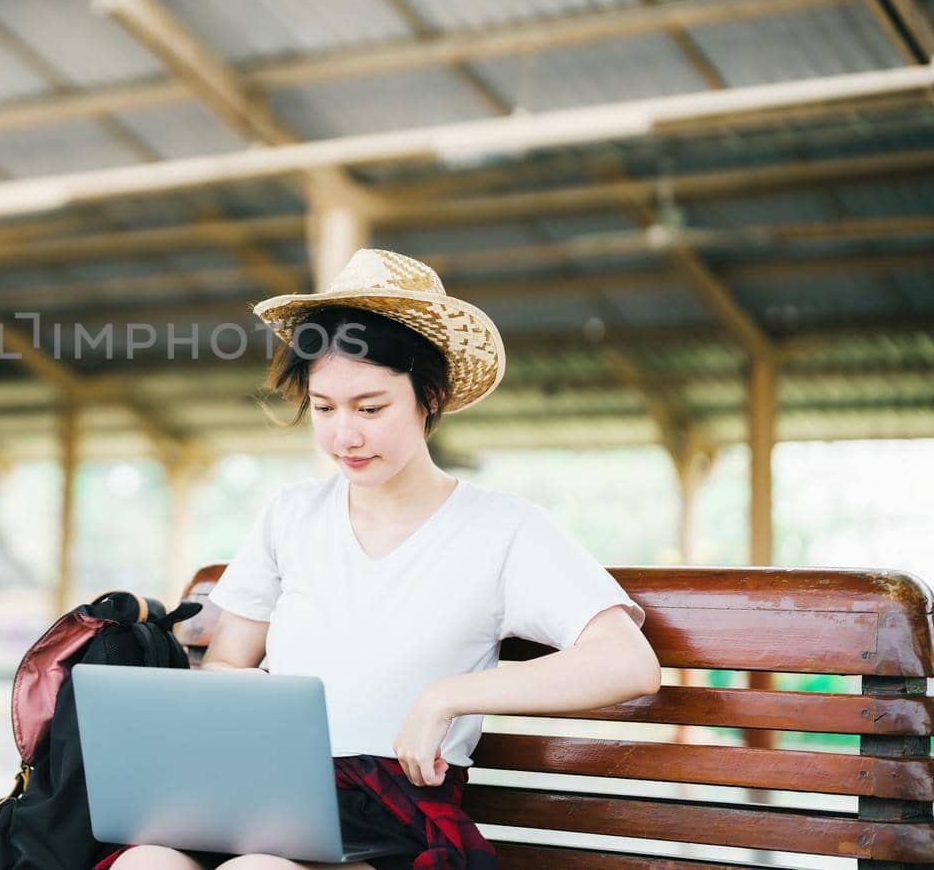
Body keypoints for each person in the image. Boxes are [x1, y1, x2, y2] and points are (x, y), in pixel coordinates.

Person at [111, 249, 661, 869]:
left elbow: (627, 663)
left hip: (396, 820)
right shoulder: (291, 515)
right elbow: (226, 664)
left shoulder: (502, 529)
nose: (345, 436)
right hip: (270, 800)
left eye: (370, 409)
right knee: (145, 863)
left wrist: (445, 698)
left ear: (430, 397)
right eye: (324, 408)